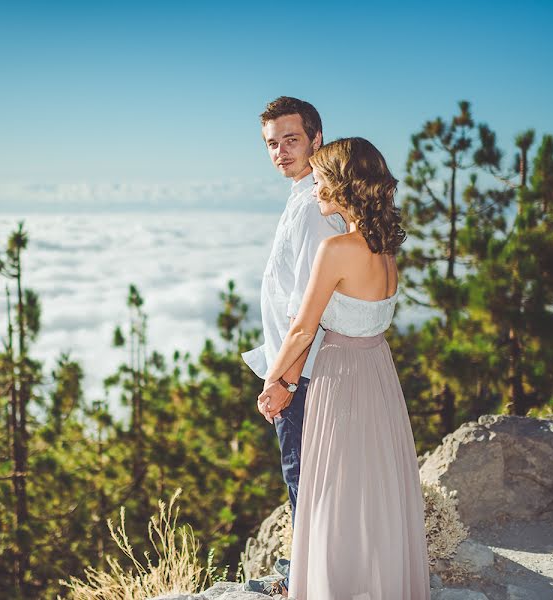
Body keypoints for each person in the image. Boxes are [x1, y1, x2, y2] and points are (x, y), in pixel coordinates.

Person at [258, 138, 430, 599]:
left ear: (343, 185)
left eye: (321, 180)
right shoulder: (386, 248)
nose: (315, 188)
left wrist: (276, 382)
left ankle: (340, 587)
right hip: (378, 373)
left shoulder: (336, 247)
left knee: (336, 490)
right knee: (377, 486)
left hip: (341, 376)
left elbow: (301, 330)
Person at [241, 97, 346, 595]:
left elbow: (311, 309)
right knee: (302, 473)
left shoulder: (314, 208)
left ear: (316, 140)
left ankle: (309, 579)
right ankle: (311, 571)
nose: (280, 152)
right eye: (272, 144)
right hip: (294, 365)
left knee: (302, 472)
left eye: (291, 140)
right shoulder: (302, 197)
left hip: (303, 372)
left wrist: (283, 380)